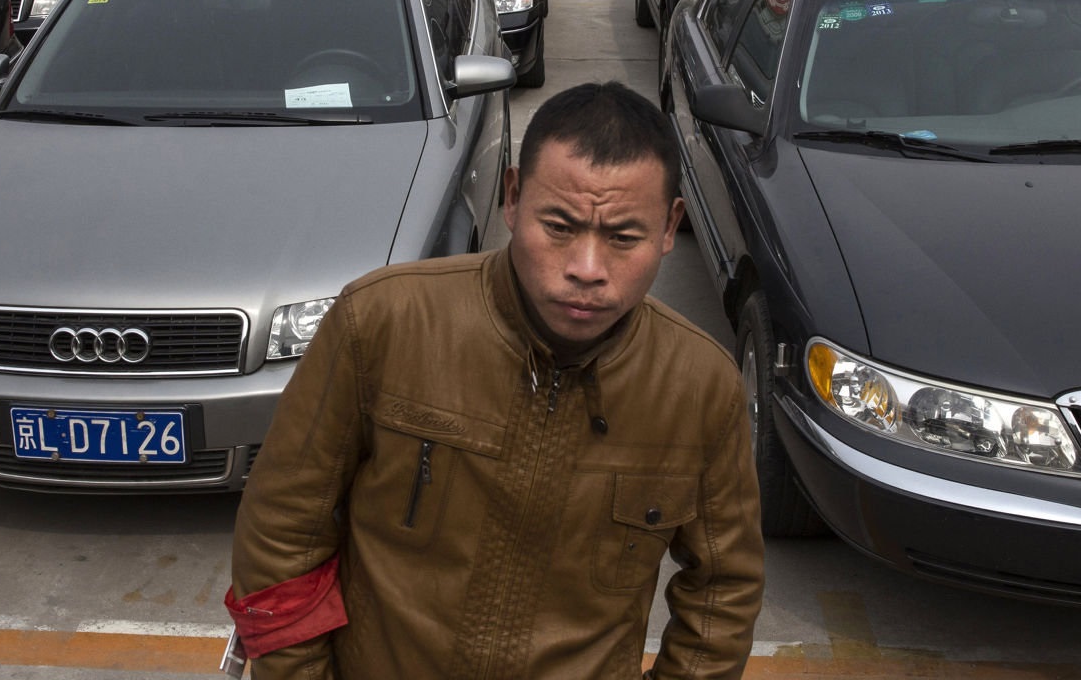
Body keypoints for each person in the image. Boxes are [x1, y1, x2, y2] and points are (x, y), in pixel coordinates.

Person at [227, 82, 763, 680]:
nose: (587, 269)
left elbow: (723, 588)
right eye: (558, 226)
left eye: (622, 237)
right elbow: (282, 530)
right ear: (512, 198)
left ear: (669, 228)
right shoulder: (383, 323)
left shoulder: (700, 387)